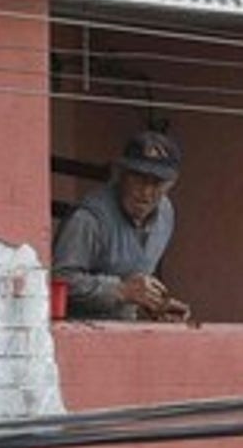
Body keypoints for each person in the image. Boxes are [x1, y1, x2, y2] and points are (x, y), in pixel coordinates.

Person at [53, 129, 192, 321]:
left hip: (123, 329)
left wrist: (156, 304)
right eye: (139, 178)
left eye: (157, 183)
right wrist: (120, 290)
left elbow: (136, 279)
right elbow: (58, 280)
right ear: (122, 175)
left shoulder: (165, 214)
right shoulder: (88, 219)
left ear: (171, 184)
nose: (146, 192)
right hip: (78, 332)